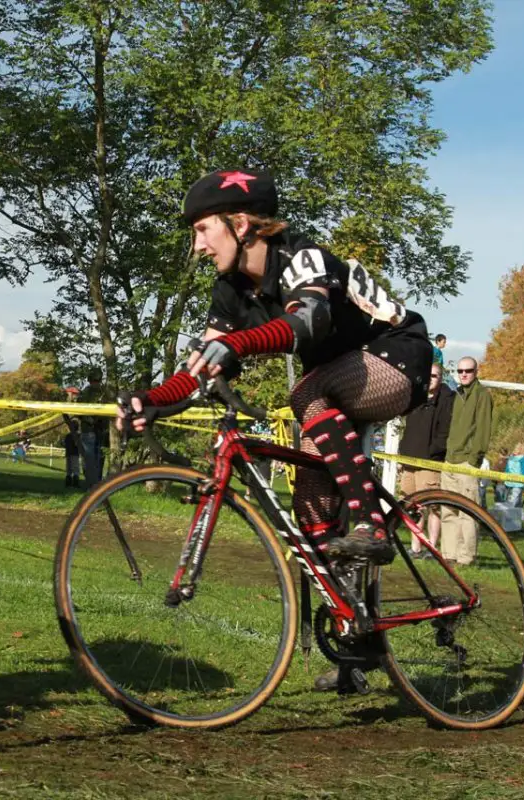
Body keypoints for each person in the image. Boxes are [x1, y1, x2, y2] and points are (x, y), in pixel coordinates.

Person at [116, 168, 432, 689]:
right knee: (309, 511)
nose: (197, 246)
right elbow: (201, 367)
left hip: (396, 355)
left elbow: (311, 321)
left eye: (202, 230)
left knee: (304, 393)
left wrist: (238, 344)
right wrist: (150, 400)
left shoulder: (302, 256)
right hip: (339, 380)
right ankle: (359, 643)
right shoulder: (230, 291)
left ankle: (372, 524)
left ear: (240, 224)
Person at [440, 357, 493, 565]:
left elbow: (483, 430)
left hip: (466, 463)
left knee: (467, 513)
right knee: (448, 510)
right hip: (449, 460)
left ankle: (465, 557)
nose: (463, 374)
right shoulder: (456, 395)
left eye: (468, 371)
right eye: (460, 371)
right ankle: (448, 555)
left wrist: (474, 459)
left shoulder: (482, 396)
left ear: (476, 371)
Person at [398, 362, 454, 558]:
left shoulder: (447, 400)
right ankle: (416, 546)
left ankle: (432, 546)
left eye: (435, 376)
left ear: (441, 378)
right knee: (413, 505)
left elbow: (445, 433)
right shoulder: (416, 397)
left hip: (429, 462)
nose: (430, 379)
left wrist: (433, 452)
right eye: (428, 375)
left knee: (432, 505)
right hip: (409, 461)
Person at [78, 368, 109, 487]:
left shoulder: (104, 393)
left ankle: (96, 483)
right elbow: (79, 411)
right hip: (89, 429)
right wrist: (90, 420)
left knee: (98, 457)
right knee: (89, 457)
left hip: (100, 430)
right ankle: (91, 482)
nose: (96, 382)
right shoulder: (86, 393)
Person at [503, 443, 524, 508]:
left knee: (513, 502)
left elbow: (507, 470)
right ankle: (509, 517)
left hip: (508, 482)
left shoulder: (510, 458)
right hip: (518, 484)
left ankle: (516, 517)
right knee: (513, 503)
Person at [62, 418, 82, 488]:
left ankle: (68, 483)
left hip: (68, 454)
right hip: (75, 454)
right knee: (75, 469)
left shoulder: (68, 436)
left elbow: (64, 444)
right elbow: (78, 445)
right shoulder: (78, 435)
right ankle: (75, 483)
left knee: (69, 469)